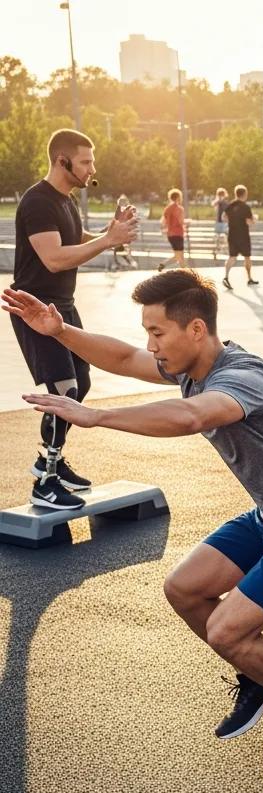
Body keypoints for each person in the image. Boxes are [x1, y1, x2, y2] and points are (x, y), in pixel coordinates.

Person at [3, 271, 263, 764]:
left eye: (157, 332)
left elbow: (192, 417)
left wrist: (98, 416)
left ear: (195, 329)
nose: (149, 345)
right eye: (148, 332)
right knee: (184, 588)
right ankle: (259, 677)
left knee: (226, 632)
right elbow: (126, 359)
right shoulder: (191, 367)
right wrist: (60, 331)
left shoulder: (244, 377)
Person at [10, 128, 138, 511]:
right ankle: (45, 484)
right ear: (62, 160)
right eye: (85, 161)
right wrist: (106, 242)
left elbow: (73, 237)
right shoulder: (37, 202)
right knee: (63, 389)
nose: (92, 168)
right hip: (36, 309)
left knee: (79, 384)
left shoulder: (63, 202)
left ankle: (52, 462)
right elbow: (53, 258)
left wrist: (108, 233)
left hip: (61, 305)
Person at [223, 185, 258, 291]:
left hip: (232, 235)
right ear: (245, 194)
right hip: (243, 236)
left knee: (232, 257)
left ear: (236, 194)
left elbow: (223, 217)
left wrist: (232, 221)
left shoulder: (230, 205)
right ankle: (249, 278)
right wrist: (255, 219)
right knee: (247, 257)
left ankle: (226, 277)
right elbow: (249, 222)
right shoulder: (245, 207)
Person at [157, 188, 187, 272]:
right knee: (180, 256)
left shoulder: (167, 208)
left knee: (178, 255)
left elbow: (163, 222)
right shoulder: (179, 208)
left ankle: (163, 264)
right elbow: (181, 221)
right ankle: (186, 274)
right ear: (178, 197)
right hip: (178, 233)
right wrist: (187, 222)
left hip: (170, 234)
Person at [212, 187, 230, 258]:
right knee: (218, 237)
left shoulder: (225, 202)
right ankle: (217, 249)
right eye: (219, 194)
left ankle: (226, 249)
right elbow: (213, 204)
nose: (220, 196)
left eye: (221, 194)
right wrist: (219, 199)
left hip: (224, 222)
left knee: (226, 236)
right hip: (219, 222)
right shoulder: (218, 202)